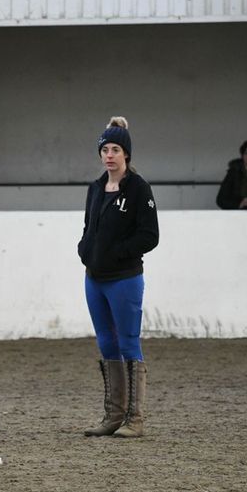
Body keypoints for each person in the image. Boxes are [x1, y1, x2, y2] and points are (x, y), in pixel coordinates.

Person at [77, 116, 159, 438]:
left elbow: (149, 236)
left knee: (128, 342)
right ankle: (113, 415)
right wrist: (85, 250)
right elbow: (88, 228)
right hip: (94, 278)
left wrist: (119, 252)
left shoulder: (139, 189)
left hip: (124, 278)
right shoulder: (96, 189)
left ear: (126, 155)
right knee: (106, 342)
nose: (109, 155)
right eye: (105, 149)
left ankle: (134, 419)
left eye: (116, 149)